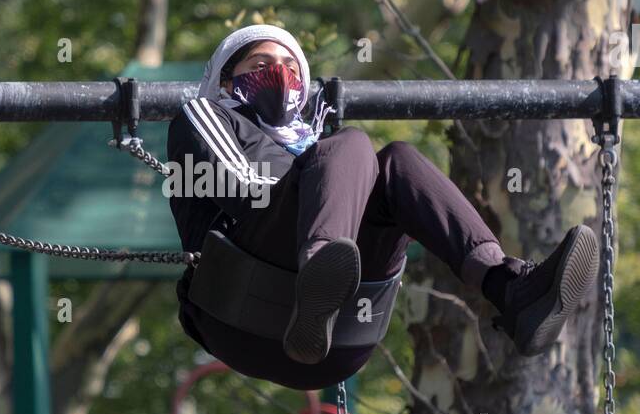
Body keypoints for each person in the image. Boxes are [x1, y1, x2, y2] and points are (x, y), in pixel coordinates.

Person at [166, 24, 600, 390]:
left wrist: (328, 182)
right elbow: (243, 189)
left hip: (338, 345)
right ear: (226, 80)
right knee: (350, 144)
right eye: (261, 65)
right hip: (240, 306)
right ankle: (319, 273)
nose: (279, 74)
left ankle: (509, 288)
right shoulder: (208, 115)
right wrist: (318, 178)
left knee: (399, 161)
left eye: (291, 68)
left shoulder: (316, 139)